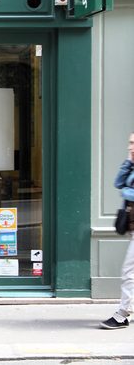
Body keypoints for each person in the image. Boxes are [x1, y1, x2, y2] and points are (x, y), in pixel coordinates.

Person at [101, 132, 134, 329]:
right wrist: (128, 163)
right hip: (132, 225)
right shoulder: (131, 165)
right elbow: (117, 182)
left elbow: (125, 190)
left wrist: (127, 191)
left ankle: (123, 314)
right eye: (130, 142)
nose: (131, 147)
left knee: (129, 271)